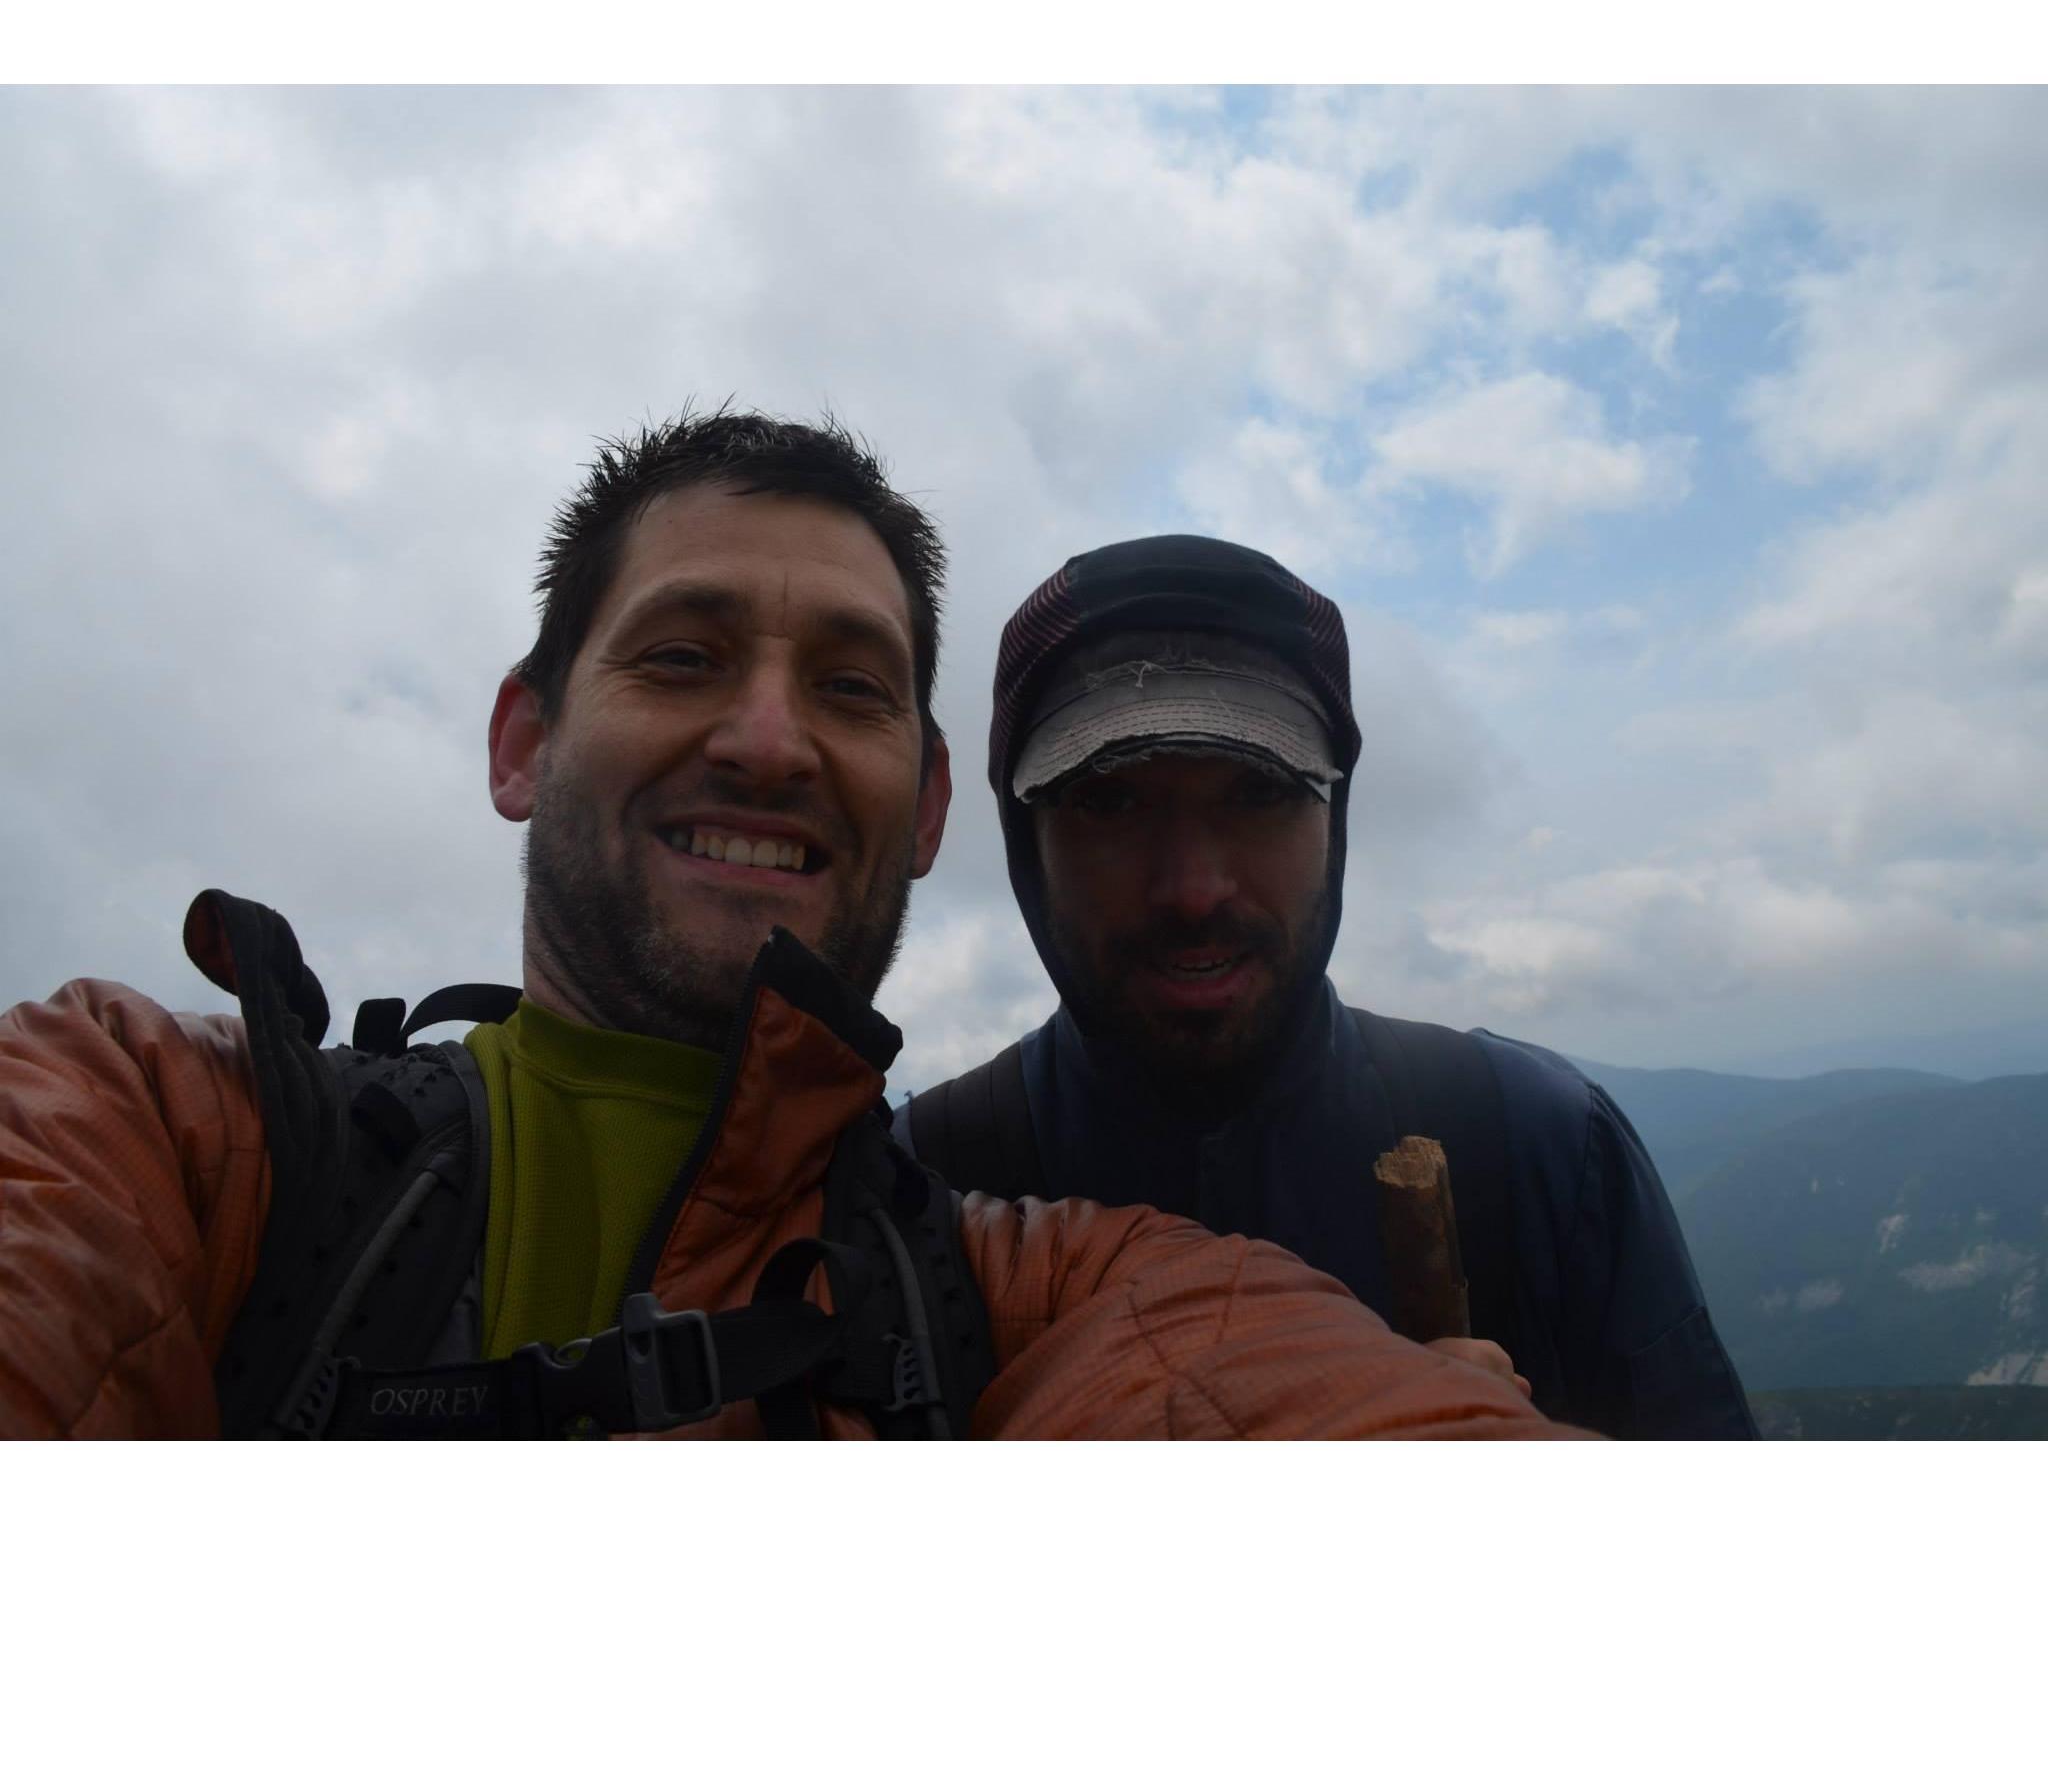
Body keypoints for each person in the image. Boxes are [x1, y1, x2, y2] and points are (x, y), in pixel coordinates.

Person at [0, 412, 1576, 1441]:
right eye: (681, 658)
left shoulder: (1050, 1286)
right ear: (520, 742)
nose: (769, 738)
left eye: (850, 685)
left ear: (932, 804)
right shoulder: (162, 1136)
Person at [898, 532, 1757, 1439]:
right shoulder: (921, 1191)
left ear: (1335, 817)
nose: (1195, 887)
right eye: (1110, 800)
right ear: (1022, 844)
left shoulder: (1541, 1150)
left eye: (1260, 791)